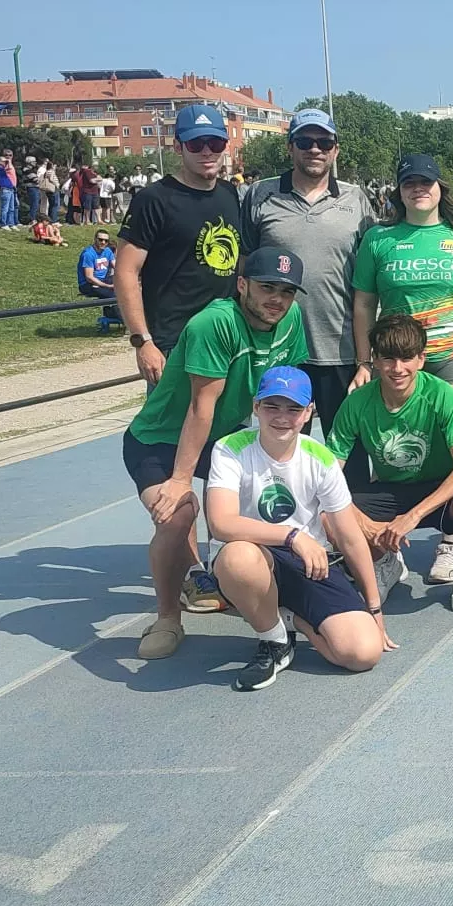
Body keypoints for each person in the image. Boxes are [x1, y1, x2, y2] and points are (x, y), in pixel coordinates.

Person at [120, 246, 310, 660]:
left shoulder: (290, 318)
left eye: (287, 291)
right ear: (242, 285)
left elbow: (287, 383)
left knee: (274, 494)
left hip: (225, 436)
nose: (277, 299)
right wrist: (181, 479)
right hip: (162, 438)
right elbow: (200, 408)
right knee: (178, 513)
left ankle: (262, 587)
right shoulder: (215, 323)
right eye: (266, 288)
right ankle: (168, 617)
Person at [206, 366, 393, 693]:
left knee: (362, 653)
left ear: (308, 413)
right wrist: (292, 536)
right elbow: (221, 523)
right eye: (272, 406)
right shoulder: (229, 449)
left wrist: (374, 606)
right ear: (256, 407)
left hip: (310, 561)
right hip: (256, 555)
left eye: (293, 408)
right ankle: (275, 641)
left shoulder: (319, 458)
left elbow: (349, 535)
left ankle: (292, 619)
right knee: (238, 559)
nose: (282, 417)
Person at [351, 153, 453, 585]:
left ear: (440, 189)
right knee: (400, 447)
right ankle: (389, 541)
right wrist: (363, 361)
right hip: (401, 360)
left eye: (427, 182)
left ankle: (450, 542)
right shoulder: (380, 239)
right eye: (410, 183)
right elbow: (363, 303)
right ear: (399, 191)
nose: (419, 189)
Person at [329, 312, 453, 612]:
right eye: (389, 359)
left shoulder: (439, 393)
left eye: (407, 359)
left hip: (437, 492)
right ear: (375, 360)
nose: (398, 368)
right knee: (329, 515)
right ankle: (383, 562)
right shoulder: (356, 403)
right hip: (388, 489)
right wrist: (363, 524)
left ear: (421, 359)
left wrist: (413, 516)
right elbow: (326, 475)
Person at [241, 107, 376, 436]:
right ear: (289, 147)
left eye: (324, 142)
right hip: (279, 350)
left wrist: (365, 358)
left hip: (340, 351)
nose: (315, 149)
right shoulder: (260, 195)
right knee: (280, 456)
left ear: (335, 150)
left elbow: (370, 283)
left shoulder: (356, 200)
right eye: (304, 141)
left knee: (349, 461)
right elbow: (243, 269)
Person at [117, 105, 246, 396]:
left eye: (215, 143)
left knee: (228, 436)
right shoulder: (153, 200)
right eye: (195, 143)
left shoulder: (230, 194)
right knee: (172, 438)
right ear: (178, 146)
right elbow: (125, 271)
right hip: (175, 345)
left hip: (227, 337)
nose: (206, 151)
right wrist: (143, 341)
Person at [78, 229, 120, 330]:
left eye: (106, 241)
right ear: (95, 239)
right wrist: (108, 286)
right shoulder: (88, 254)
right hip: (87, 284)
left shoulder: (108, 251)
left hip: (104, 280)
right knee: (115, 294)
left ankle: (111, 313)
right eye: (100, 240)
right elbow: (89, 277)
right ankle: (125, 321)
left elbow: (117, 268)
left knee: (127, 288)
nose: (103, 242)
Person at [0, 152, 19, 228]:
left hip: (10, 189)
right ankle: (3, 224)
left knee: (11, 208)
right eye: (3, 161)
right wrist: (9, 161)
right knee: (5, 208)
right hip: (5, 189)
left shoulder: (4, 168)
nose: (5, 162)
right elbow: (8, 169)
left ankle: (11, 223)